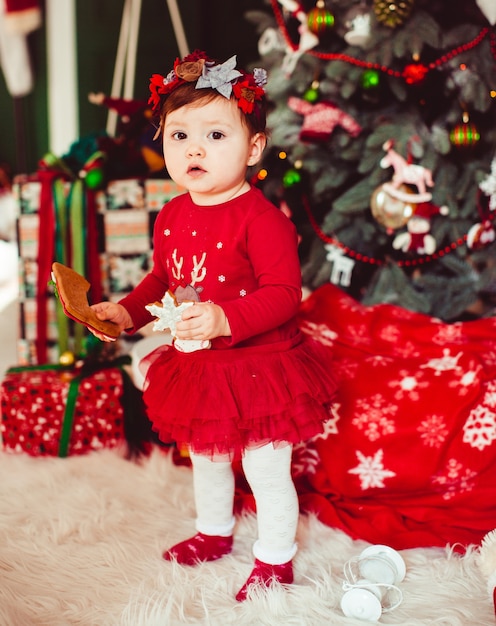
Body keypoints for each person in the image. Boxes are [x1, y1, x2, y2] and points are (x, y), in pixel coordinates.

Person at [90, 50, 337, 602]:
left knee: (265, 466)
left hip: (259, 364)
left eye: (215, 135)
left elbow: (283, 295)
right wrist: (126, 312)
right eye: (178, 136)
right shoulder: (172, 215)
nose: (194, 149)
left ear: (253, 148)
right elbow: (161, 279)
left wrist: (226, 316)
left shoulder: (263, 219)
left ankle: (275, 558)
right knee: (205, 454)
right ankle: (214, 531)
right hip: (201, 364)